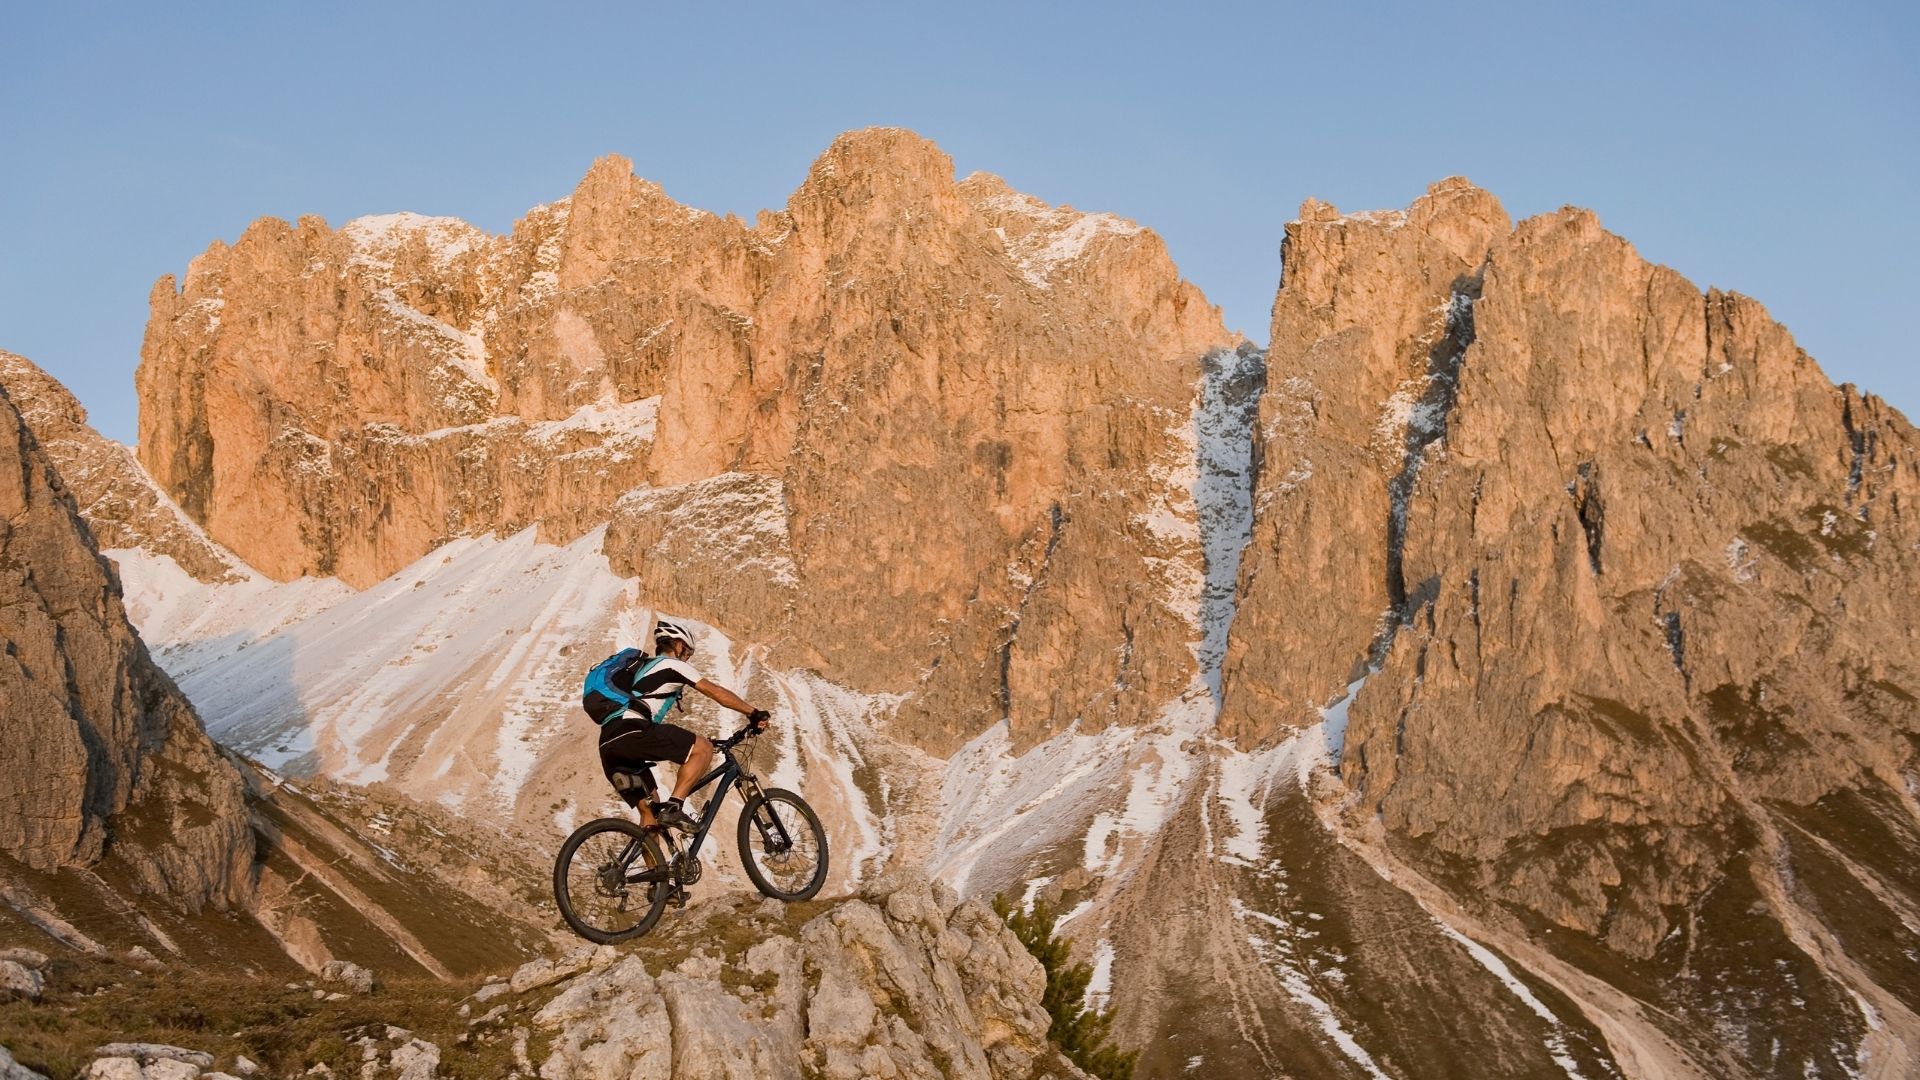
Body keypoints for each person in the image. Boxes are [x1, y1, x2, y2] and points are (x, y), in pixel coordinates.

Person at [592, 619, 770, 832]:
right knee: (703, 748)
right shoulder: (673, 665)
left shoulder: (641, 670)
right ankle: (675, 807)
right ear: (677, 645)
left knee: (650, 817)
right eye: (687, 652)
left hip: (609, 742)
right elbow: (715, 692)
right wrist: (753, 713)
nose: (687, 657)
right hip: (633, 730)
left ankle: (655, 865)